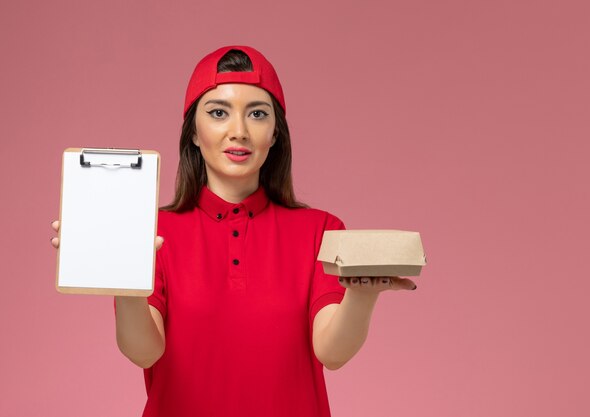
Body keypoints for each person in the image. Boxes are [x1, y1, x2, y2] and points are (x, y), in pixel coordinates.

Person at [50, 45, 417, 417]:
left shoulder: (321, 231)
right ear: (193, 132)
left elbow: (332, 353)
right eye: (218, 113)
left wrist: (362, 293)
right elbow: (144, 352)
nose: (238, 131)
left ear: (275, 134)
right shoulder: (151, 232)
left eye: (258, 114)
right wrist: (122, 277)